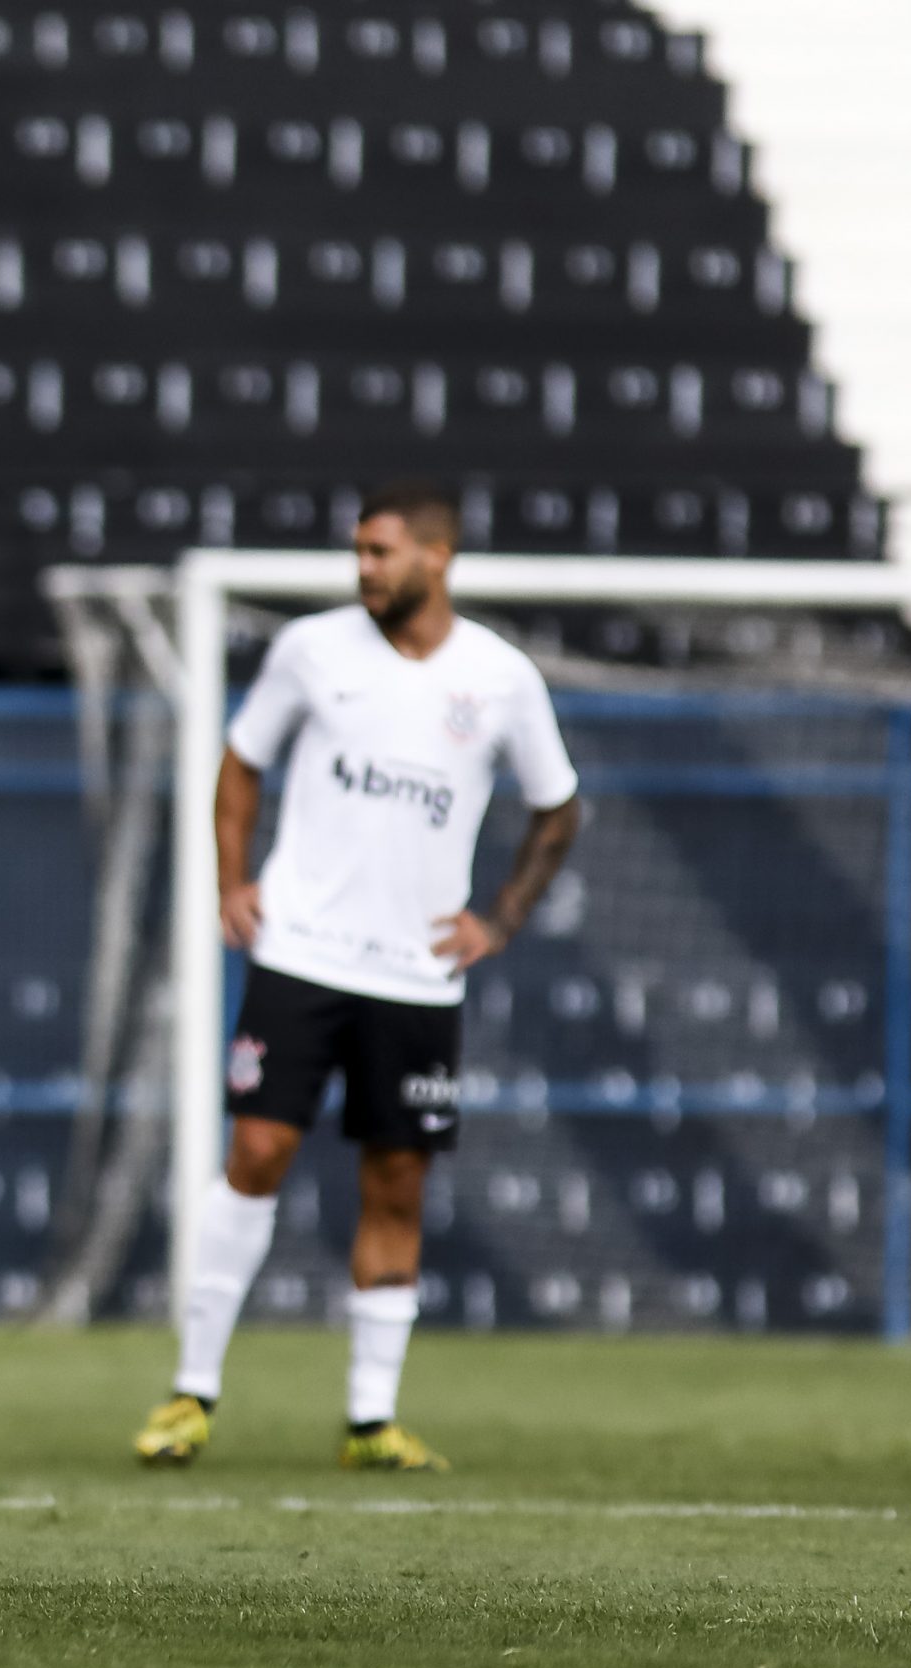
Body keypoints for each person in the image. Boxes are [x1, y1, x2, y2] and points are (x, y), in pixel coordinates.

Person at [132, 481, 582, 1473]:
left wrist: (498, 919)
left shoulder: (500, 679)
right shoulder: (312, 650)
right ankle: (189, 1394)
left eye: (381, 552)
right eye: (359, 553)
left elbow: (558, 807)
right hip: (300, 953)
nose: (364, 569)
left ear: (437, 558)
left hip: (418, 977)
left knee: (395, 1182)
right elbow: (240, 762)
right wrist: (232, 880)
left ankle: (370, 1420)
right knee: (254, 1152)